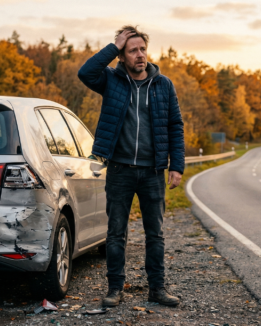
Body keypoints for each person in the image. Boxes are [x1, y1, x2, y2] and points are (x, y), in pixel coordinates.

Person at [77, 25, 184, 307]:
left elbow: (175, 125)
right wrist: (114, 46)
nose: (140, 55)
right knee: (115, 233)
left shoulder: (163, 84)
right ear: (122, 56)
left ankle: (157, 290)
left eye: (142, 49)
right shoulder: (112, 80)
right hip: (120, 171)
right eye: (132, 50)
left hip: (152, 172)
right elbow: (85, 73)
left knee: (155, 235)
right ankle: (115, 289)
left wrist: (177, 166)